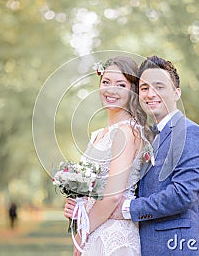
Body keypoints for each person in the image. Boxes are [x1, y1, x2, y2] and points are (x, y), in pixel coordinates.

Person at [66, 55, 199, 256]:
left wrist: (128, 208)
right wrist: (82, 205)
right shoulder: (146, 135)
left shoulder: (189, 132)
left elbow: (183, 194)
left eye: (159, 87)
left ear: (176, 93)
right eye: (144, 88)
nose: (151, 94)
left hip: (177, 247)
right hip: (144, 243)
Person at [65, 56, 152, 255]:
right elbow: (92, 189)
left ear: (132, 90)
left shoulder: (127, 132)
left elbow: (113, 196)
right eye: (106, 82)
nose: (111, 90)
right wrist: (78, 207)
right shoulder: (98, 135)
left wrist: (82, 234)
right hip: (96, 230)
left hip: (114, 237)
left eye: (120, 84)